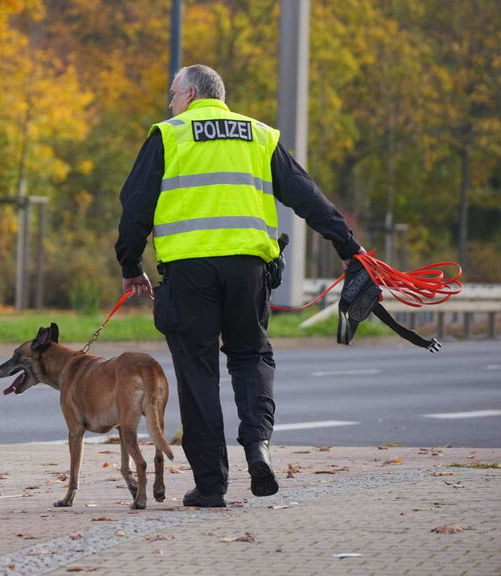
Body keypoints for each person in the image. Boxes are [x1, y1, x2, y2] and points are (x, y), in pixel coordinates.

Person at [114, 65, 364, 508]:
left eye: (173, 94)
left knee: (198, 372)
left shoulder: (169, 135)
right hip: (249, 270)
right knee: (250, 357)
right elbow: (306, 195)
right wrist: (346, 245)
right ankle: (257, 446)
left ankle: (211, 485)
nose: (170, 104)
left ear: (191, 94)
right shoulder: (259, 135)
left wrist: (130, 263)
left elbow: (135, 206)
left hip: (189, 273)